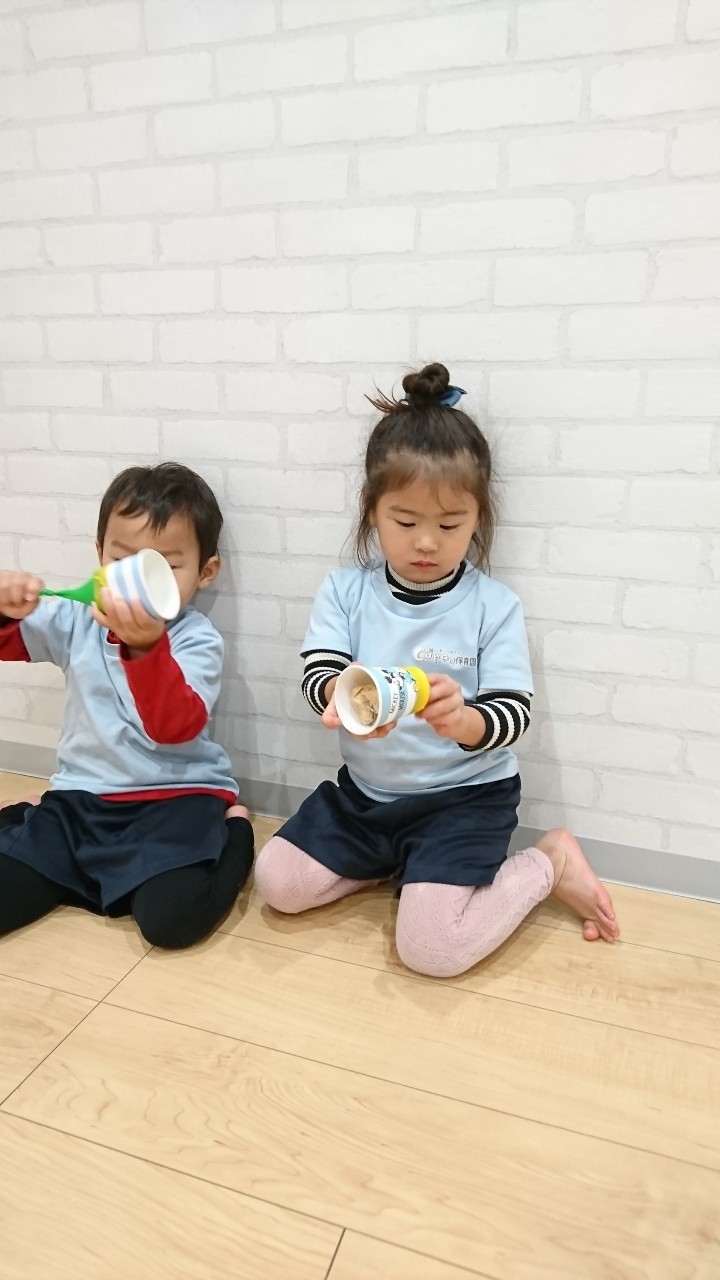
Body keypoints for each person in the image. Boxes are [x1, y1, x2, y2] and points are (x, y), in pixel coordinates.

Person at [255, 363, 618, 977]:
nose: (427, 543)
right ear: (373, 512)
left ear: (478, 520)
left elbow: (513, 713)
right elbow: (320, 672)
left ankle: (550, 861)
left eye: (450, 525)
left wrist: (465, 722)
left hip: (464, 799)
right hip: (367, 798)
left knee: (431, 951)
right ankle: (398, 864)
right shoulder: (345, 592)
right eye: (405, 522)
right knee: (277, 882)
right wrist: (345, 701)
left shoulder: (492, 606)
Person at [0, 462, 253, 948]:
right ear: (99, 555)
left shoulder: (196, 639)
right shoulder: (75, 616)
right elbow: (9, 641)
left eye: (164, 567)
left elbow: (173, 727)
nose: (136, 585)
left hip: (174, 802)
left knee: (173, 922)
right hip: (80, 802)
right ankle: (30, 818)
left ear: (205, 572)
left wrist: (145, 648)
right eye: (122, 561)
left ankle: (237, 833)